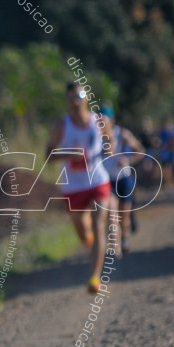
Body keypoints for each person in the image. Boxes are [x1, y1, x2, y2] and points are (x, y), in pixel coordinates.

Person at [45, 83, 113, 292]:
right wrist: (68, 155)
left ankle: (95, 278)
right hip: (73, 186)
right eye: (71, 97)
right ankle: (87, 238)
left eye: (80, 96)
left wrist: (111, 151)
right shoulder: (61, 126)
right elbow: (47, 155)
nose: (76, 101)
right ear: (67, 100)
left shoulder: (100, 122)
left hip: (98, 181)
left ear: (87, 97)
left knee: (98, 225)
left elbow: (110, 141)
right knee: (83, 232)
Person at [100, 107, 146, 255]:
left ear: (111, 120)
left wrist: (129, 159)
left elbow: (141, 150)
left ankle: (125, 237)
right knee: (111, 215)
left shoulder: (123, 134)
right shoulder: (95, 137)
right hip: (107, 181)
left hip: (124, 179)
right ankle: (115, 245)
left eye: (104, 119)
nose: (101, 123)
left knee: (124, 215)